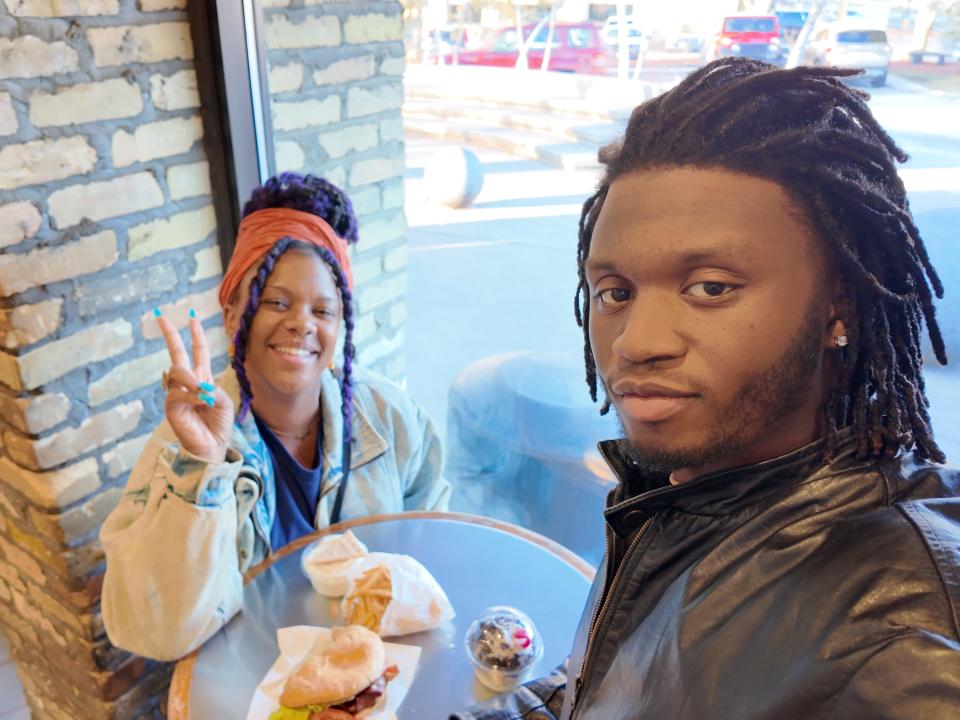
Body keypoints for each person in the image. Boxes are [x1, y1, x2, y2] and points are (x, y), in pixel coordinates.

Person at [453, 58, 960, 719]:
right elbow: (602, 687)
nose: (636, 341)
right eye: (615, 292)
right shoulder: (686, 488)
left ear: (842, 308)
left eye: (710, 288)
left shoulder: (900, 643)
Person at [101, 173, 450, 661]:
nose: (302, 323)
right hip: (255, 688)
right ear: (231, 316)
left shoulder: (389, 417)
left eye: (323, 311)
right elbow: (159, 634)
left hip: (376, 675)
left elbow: (431, 544)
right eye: (277, 302)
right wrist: (204, 469)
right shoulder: (177, 452)